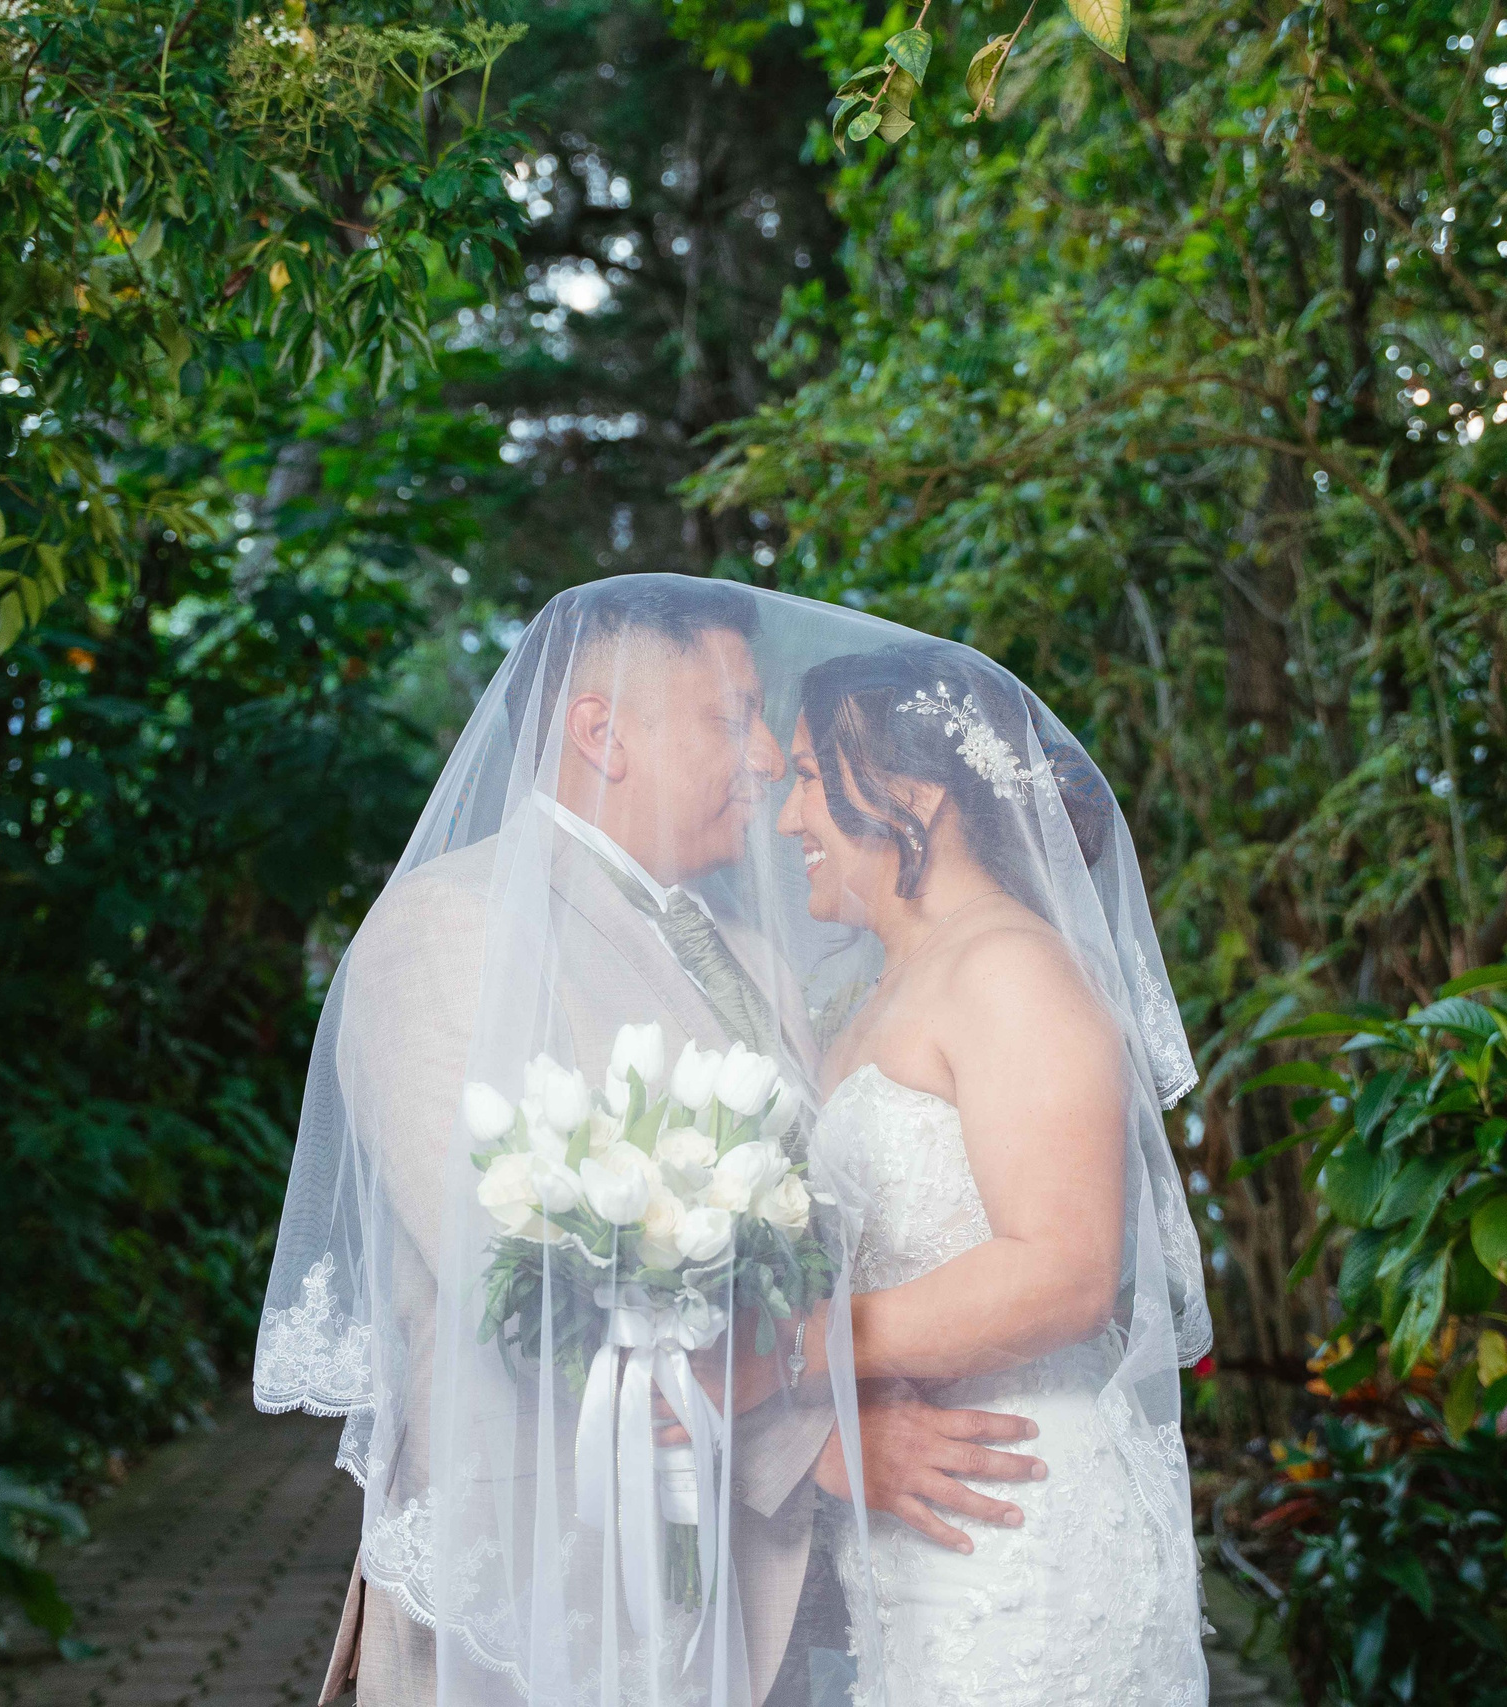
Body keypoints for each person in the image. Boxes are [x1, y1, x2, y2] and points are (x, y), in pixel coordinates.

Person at [254, 577, 1060, 1707]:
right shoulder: (454, 929)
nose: (772, 756)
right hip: (549, 1588)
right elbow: (513, 1279)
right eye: (732, 715)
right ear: (602, 731)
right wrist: (817, 1444)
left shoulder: (748, 946)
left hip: (745, 1595)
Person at [768, 643, 1210, 1707]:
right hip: (913, 1512)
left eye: (805, 778)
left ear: (911, 792)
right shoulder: (877, 988)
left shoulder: (1010, 969)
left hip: (1014, 1510)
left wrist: (795, 1353)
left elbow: (1062, 1270)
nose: (786, 821)